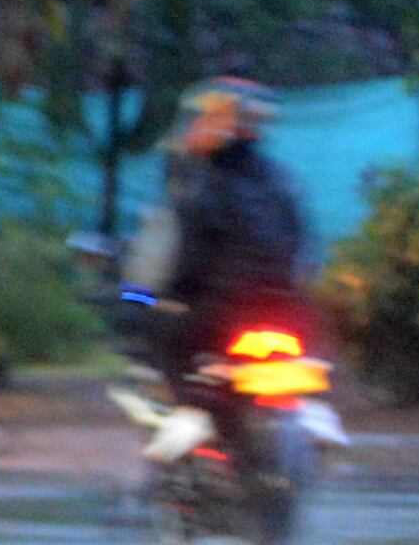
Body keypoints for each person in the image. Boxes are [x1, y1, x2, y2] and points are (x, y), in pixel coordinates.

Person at [131, 77, 310, 370]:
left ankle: (171, 397)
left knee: (143, 305)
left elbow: (184, 259)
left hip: (216, 313)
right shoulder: (278, 179)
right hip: (283, 310)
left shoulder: (201, 182)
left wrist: (163, 293)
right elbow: (300, 244)